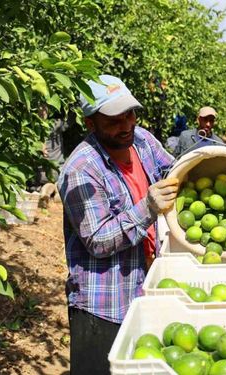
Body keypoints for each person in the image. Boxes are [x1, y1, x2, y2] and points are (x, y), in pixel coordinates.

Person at [57, 75, 179, 374]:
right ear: (90, 123)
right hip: (105, 304)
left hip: (146, 285)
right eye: (113, 120)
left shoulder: (142, 140)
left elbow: (173, 169)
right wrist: (148, 207)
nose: (125, 125)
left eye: (130, 115)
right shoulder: (81, 170)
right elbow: (97, 239)